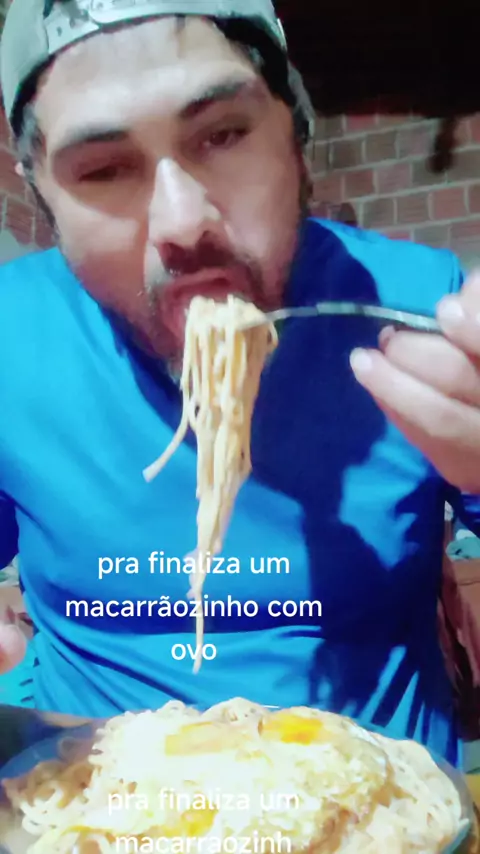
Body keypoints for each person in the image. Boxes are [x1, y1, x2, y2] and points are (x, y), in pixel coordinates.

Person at [0, 0, 479, 768]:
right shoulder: (11, 335)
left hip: (381, 807)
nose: (182, 223)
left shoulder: (420, 306)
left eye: (223, 135)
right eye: (103, 170)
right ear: (39, 192)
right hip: (91, 807)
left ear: (295, 131)